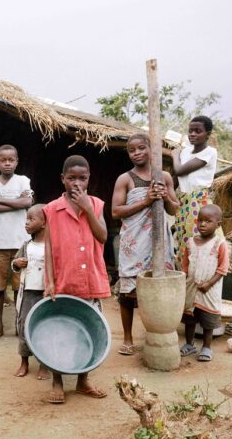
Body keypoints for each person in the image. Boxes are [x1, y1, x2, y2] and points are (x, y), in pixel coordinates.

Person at [43, 155, 110, 404]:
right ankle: (57, 382)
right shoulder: (51, 209)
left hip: (89, 280)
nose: (77, 183)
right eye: (71, 178)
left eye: (82, 178)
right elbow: (49, 249)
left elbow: (102, 236)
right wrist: (49, 281)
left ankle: (83, 381)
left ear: (89, 179)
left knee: (88, 330)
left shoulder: (97, 205)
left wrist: (88, 209)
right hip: (63, 280)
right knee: (60, 332)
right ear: (63, 179)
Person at [111, 134, 179, 355]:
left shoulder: (164, 176)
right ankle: (128, 338)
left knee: (160, 288)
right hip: (134, 242)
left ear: (151, 149)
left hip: (159, 242)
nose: (137, 153)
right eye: (132, 150)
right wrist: (146, 201)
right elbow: (115, 211)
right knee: (128, 293)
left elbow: (174, 209)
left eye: (141, 148)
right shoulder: (125, 179)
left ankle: (157, 333)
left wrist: (165, 198)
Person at [0, 145, 33, 341]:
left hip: (21, 243)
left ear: (16, 161)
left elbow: (27, 203)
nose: (7, 163)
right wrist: (16, 202)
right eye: (3, 160)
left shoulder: (23, 180)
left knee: (18, 286)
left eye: (11, 160)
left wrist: (1, 201)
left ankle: (18, 323)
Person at [180, 204, 229, 362]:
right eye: (200, 220)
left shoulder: (219, 244)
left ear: (218, 225)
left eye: (208, 221)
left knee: (208, 321)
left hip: (209, 290)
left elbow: (222, 269)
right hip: (191, 288)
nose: (202, 224)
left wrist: (209, 284)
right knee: (189, 318)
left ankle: (207, 347)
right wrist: (182, 280)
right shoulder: (190, 243)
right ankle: (189, 344)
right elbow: (185, 265)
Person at [171, 115, 221, 265]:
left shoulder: (210, 152)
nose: (192, 134)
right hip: (184, 202)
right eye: (190, 131)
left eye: (197, 131)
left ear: (208, 134)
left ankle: (203, 277)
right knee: (183, 241)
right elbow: (176, 178)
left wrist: (174, 155)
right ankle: (186, 278)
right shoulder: (185, 151)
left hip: (199, 203)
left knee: (200, 241)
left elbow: (179, 170)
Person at [12, 204, 50, 379]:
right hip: (28, 294)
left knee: (45, 327)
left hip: (47, 294)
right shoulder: (27, 246)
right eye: (26, 219)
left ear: (44, 223)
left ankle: (44, 364)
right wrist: (17, 263)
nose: (26, 223)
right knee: (24, 325)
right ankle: (24, 362)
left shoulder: (52, 246)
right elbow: (14, 264)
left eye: (31, 219)